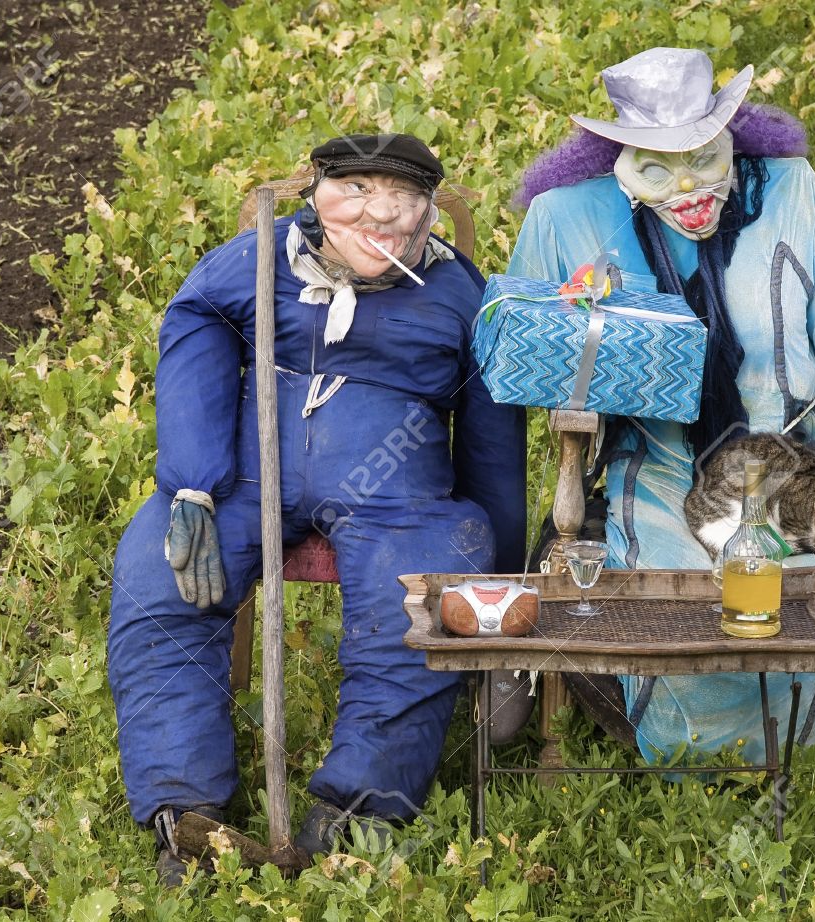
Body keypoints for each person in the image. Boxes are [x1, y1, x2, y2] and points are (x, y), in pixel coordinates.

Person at [106, 133, 526, 884]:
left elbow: (493, 433)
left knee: (420, 600)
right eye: (357, 192)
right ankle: (184, 809)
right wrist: (193, 481)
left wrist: (504, 556)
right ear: (318, 194)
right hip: (243, 471)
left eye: (402, 200)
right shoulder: (259, 256)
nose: (381, 216)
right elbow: (194, 325)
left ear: (428, 210)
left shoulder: (461, 291)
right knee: (157, 576)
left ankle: (359, 808)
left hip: (398, 488)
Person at [508, 48, 815, 766]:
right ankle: (692, 758)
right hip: (664, 460)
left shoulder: (789, 190)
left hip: (795, 455)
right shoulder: (568, 216)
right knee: (687, 599)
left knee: (806, 580)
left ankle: (803, 745)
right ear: (620, 155)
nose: (689, 186)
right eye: (659, 166)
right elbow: (528, 340)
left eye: (704, 158)